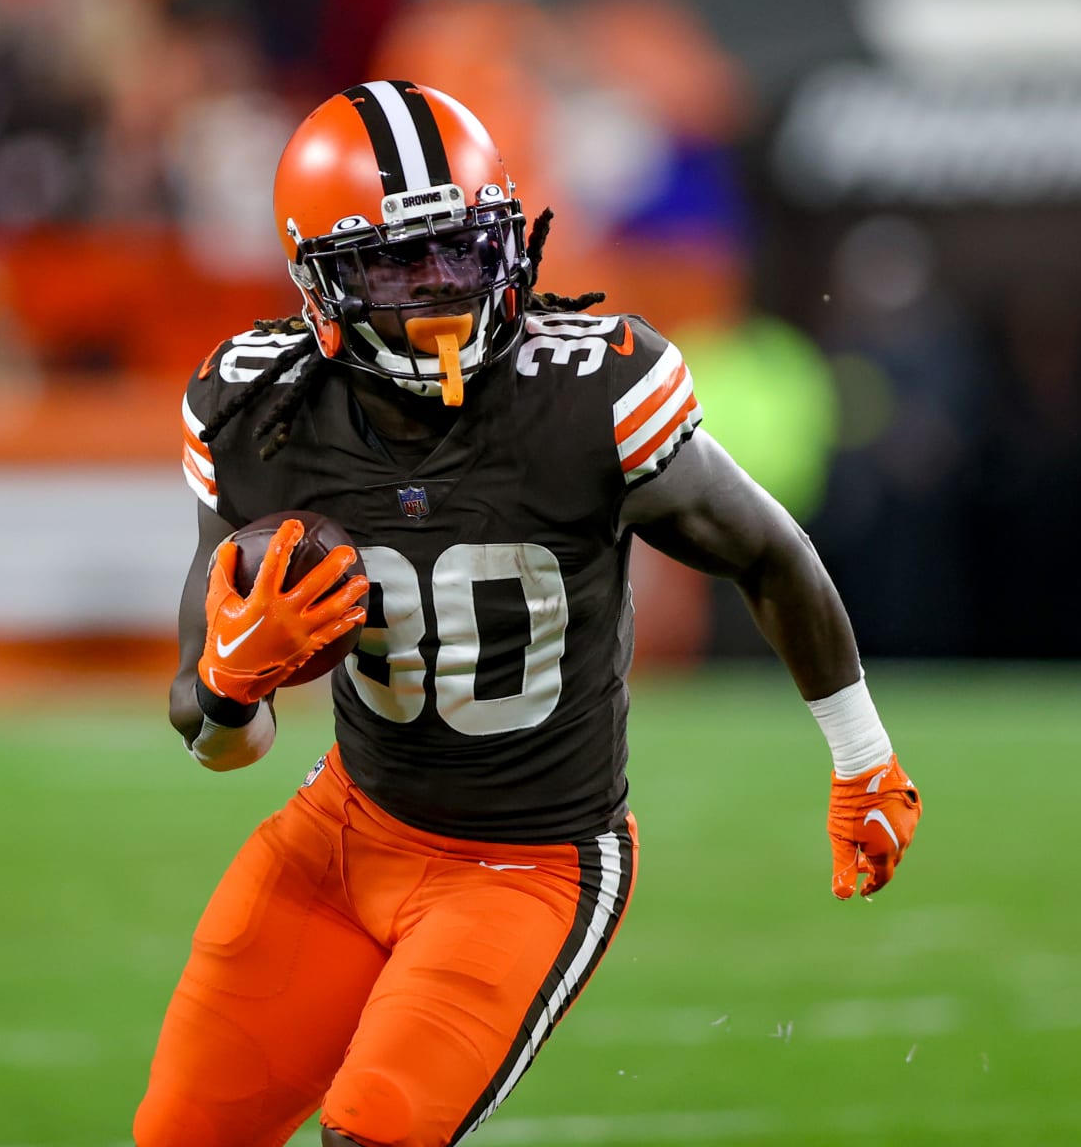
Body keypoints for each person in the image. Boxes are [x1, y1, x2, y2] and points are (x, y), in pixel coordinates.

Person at [135, 80, 922, 1147]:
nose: (443, 289)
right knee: (184, 1135)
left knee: (374, 1132)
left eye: (461, 249)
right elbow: (220, 743)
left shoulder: (587, 390)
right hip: (344, 832)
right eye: (397, 265)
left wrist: (861, 756)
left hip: (531, 862)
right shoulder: (258, 413)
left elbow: (767, 552)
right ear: (321, 285)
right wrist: (233, 686)